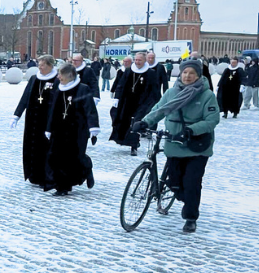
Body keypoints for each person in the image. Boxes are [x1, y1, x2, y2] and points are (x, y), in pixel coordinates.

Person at [136, 59, 220, 233]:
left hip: (196, 146)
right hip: (174, 143)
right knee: (174, 183)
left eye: (192, 73)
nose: (187, 76)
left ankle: (190, 217)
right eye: (184, 72)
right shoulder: (171, 92)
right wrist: (144, 122)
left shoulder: (207, 95)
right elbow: (159, 110)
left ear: (198, 76)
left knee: (192, 183)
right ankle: (185, 197)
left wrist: (191, 130)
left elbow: (212, 120)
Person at [44, 63, 100, 196]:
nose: (58, 77)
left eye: (60, 74)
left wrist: (93, 127)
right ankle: (62, 187)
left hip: (78, 130)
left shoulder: (83, 89)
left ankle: (87, 167)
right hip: (59, 129)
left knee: (75, 158)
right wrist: (49, 128)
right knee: (55, 157)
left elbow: (90, 109)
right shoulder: (58, 87)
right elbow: (53, 110)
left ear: (69, 75)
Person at [12, 55, 58, 189]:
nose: (40, 67)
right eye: (39, 64)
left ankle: (47, 177)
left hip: (47, 121)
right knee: (32, 147)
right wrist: (16, 115)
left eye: (42, 65)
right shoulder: (34, 78)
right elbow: (25, 97)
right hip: (32, 121)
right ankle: (34, 175)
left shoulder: (56, 80)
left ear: (50, 66)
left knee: (46, 149)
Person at [109, 53, 157, 156]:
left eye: (140, 60)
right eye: (136, 60)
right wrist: (116, 97)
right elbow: (121, 85)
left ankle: (134, 145)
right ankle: (123, 139)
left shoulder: (150, 73)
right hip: (127, 101)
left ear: (145, 61)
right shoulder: (128, 71)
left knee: (136, 122)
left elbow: (154, 90)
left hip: (142, 103)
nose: (137, 62)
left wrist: (153, 103)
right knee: (123, 121)